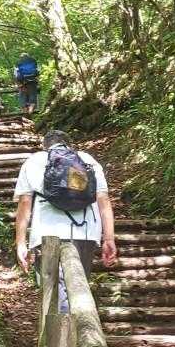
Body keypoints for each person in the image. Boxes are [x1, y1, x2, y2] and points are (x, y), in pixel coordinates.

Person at [13, 130, 117, 307]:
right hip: (85, 232)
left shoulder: (35, 161)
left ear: (45, 146)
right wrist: (108, 238)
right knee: (77, 287)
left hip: (47, 232)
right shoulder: (87, 159)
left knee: (52, 291)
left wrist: (21, 243)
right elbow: (103, 200)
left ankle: (61, 324)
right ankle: (74, 322)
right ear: (70, 145)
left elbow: (24, 203)